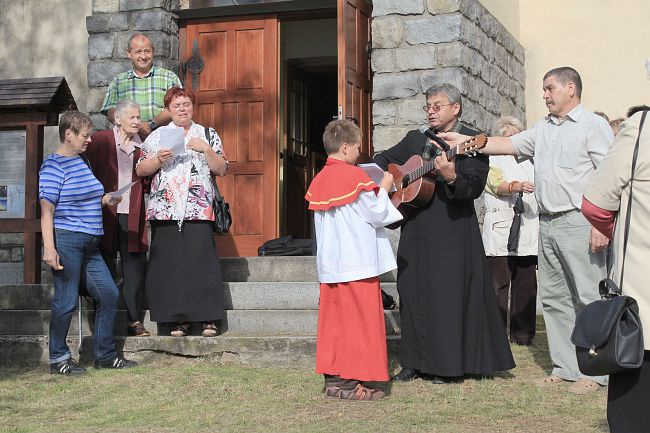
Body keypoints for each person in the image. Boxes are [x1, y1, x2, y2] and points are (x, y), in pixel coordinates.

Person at [440, 67, 614, 394]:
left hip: (580, 221)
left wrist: (601, 222)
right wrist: (466, 141)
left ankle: (597, 373)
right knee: (554, 298)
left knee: (588, 298)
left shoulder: (594, 126)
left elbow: (608, 175)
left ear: (571, 87)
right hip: (546, 223)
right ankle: (564, 367)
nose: (544, 95)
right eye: (543, 89)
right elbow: (505, 144)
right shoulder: (542, 128)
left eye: (549, 89)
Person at [373, 83, 515, 384]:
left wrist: (452, 176)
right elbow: (382, 160)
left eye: (438, 105)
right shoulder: (414, 139)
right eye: (428, 105)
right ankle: (412, 362)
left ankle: (446, 365)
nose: (431, 110)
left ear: (456, 108)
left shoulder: (472, 142)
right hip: (415, 226)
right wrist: (392, 180)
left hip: (452, 228)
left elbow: (473, 187)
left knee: (446, 296)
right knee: (411, 292)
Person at [305, 119, 402, 400]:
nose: (359, 154)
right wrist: (384, 186)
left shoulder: (320, 178)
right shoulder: (354, 178)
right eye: (358, 148)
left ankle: (336, 380)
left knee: (335, 326)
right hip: (356, 264)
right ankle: (353, 383)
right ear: (345, 147)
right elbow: (376, 214)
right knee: (360, 326)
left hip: (332, 267)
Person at [39, 111, 138, 374]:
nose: (89, 140)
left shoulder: (83, 162)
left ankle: (105, 355)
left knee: (108, 293)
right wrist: (49, 248)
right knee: (66, 300)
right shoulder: (53, 166)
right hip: (68, 241)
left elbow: (90, 195)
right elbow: (46, 211)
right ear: (68, 134)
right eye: (85, 135)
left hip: (91, 244)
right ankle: (58, 358)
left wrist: (107, 199)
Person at [136, 86, 228, 337]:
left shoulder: (207, 133)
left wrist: (206, 149)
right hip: (165, 210)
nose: (182, 109)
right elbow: (141, 169)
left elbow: (221, 169)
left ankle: (208, 318)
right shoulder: (157, 136)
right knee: (170, 266)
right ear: (168, 110)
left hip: (197, 208)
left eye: (186, 104)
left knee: (201, 264)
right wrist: (158, 160)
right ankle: (176, 320)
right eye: (176, 106)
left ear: (192, 106)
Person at [582, 110, 649, 432]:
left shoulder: (641, 129)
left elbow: (596, 204)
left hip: (643, 307)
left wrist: (612, 229)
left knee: (634, 414)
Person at [86, 100, 150, 337]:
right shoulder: (101, 140)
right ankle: (104, 320)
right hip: (103, 212)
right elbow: (86, 167)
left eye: (138, 117)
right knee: (103, 264)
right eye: (132, 117)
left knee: (134, 266)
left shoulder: (143, 145)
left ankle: (134, 321)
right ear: (118, 119)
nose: (136, 121)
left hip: (132, 213)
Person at [482, 116, 538, 346]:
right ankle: (495, 334)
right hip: (501, 227)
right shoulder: (491, 160)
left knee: (526, 282)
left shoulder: (530, 160)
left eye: (516, 135)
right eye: (508, 136)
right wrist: (515, 186)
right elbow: (496, 185)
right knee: (499, 282)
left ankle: (523, 335)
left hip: (528, 225)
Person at [101, 33, 181, 139]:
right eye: (138, 51)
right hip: (129, 140)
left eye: (147, 51)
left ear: (153, 51)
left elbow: (178, 106)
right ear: (129, 53)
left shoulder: (169, 77)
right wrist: (132, 125)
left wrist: (152, 124)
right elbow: (110, 110)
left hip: (163, 138)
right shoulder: (119, 82)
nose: (143, 57)